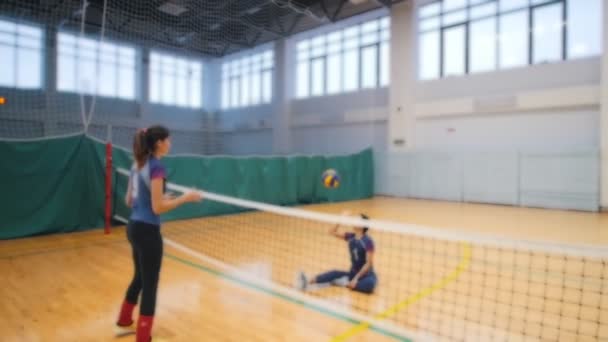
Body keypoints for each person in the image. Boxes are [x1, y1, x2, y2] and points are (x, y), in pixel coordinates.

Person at [116, 125, 202, 342]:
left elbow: (129, 201)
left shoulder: (137, 165)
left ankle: (125, 318)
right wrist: (185, 198)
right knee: (150, 283)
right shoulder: (156, 167)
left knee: (140, 276)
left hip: (133, 227)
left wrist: (162, 198)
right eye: (168, 140)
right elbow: (157, 209)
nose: (170, 144)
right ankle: (143, 336)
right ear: (158, 143)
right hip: (147, 232)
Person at [298, 211, 377, 294]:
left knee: (370, 285)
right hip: (352, 273)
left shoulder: (368, 242)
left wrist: (356, 279)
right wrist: (340, 219)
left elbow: (368, 264)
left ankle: (346, 283)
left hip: (366, 275)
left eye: (357, 220)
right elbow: (332, 232)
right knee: (334, 273)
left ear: (363, 225)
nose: (354, 220)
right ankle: (307, 281)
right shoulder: (351, 237)